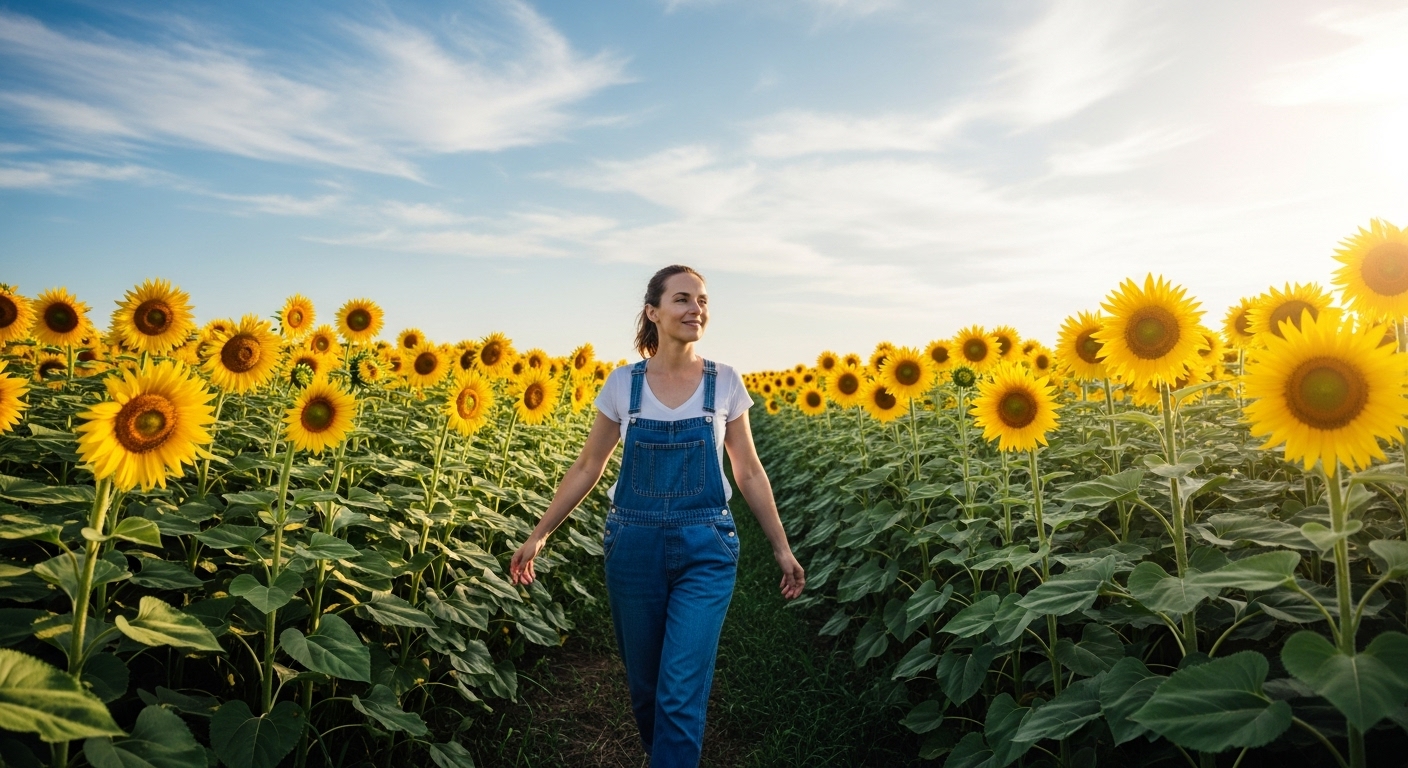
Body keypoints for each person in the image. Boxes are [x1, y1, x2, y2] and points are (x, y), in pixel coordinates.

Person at [509, 264, 805, 767]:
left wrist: (780, 547)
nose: (696, 309)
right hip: (633, 546)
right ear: (653, 311)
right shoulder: (623, 385)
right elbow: (588, 466)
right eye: (683, 299)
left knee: (679, 690)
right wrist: (540, 534)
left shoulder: (725, 382)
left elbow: (749, 470)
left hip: (706, 545)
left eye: (703, 300)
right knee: (646, 688)